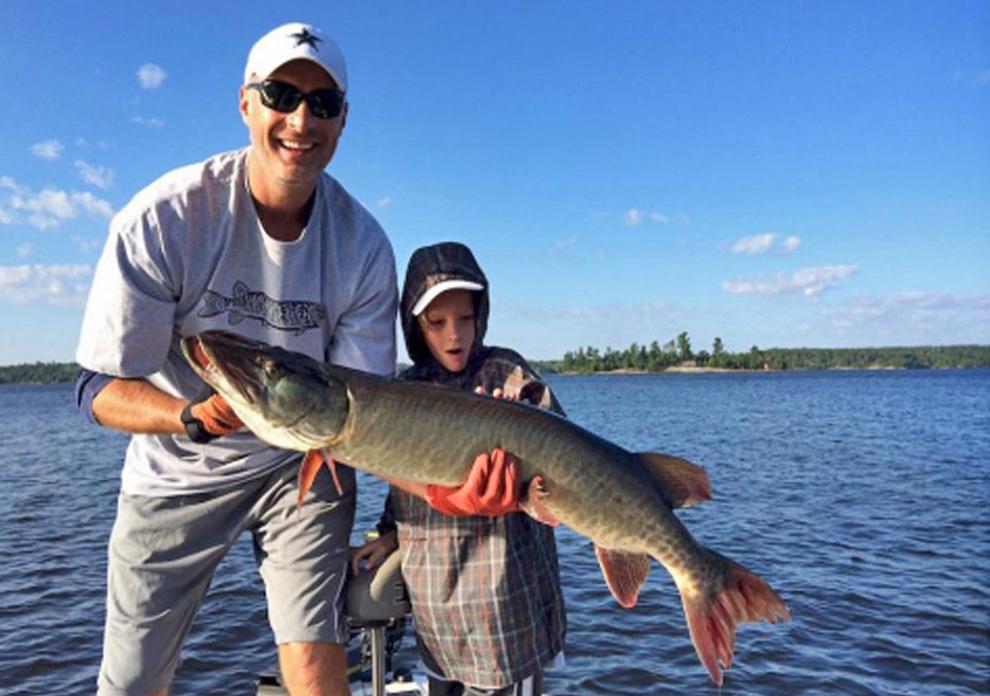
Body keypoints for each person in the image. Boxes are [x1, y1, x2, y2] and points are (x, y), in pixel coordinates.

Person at [74, 23, 398, 696]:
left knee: (314, 660)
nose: (301, 120)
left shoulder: (364, 246)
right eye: (281, 94)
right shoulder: (164, 217)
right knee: (132, 679)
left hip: (300, 465)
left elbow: (361, 412)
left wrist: (446, 488)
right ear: (246, 103)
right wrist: (188, 416)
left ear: (342, 121)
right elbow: (97, 388)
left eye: (323, 103)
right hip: (176, 469)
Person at [351, 241, 567, 696]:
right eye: (437, 322)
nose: (455, 335)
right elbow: (401, 482)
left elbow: (562, 448)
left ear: (481, 316)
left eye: (466, 318)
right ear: (414, 325)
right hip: (437, 613)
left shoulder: (506, 373)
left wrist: (517, 427)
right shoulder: (403, 391)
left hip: (505, 615)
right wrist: (388, 533)